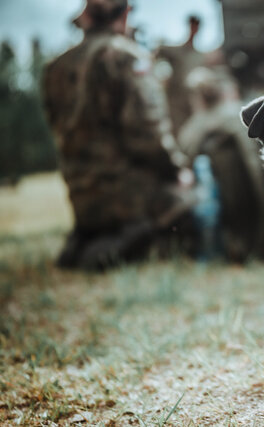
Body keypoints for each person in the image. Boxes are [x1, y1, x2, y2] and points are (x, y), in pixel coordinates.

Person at [43, 0, 196, 270]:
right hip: (126, 197)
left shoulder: (55, 67)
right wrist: (178, 171)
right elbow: (148, 135)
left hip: (81, 195)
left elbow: (56, 126)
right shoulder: (126, 57)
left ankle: (85, 241)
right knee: (194, 199)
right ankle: (124, 245)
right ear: (124, 14)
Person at [178, 67, 264, 262]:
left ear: (197, 98)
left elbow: (183, 159)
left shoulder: (197, 125)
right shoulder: (245, 113)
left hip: (234, 207)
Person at [155, 15, 208, 136]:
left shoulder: (200, 56)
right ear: (189, 26)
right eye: (192, 25)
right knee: (176, 133)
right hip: (175, 102)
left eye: (196, 26)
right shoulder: (175, 51)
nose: (194, 29)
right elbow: (157, 53)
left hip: (192, 102)